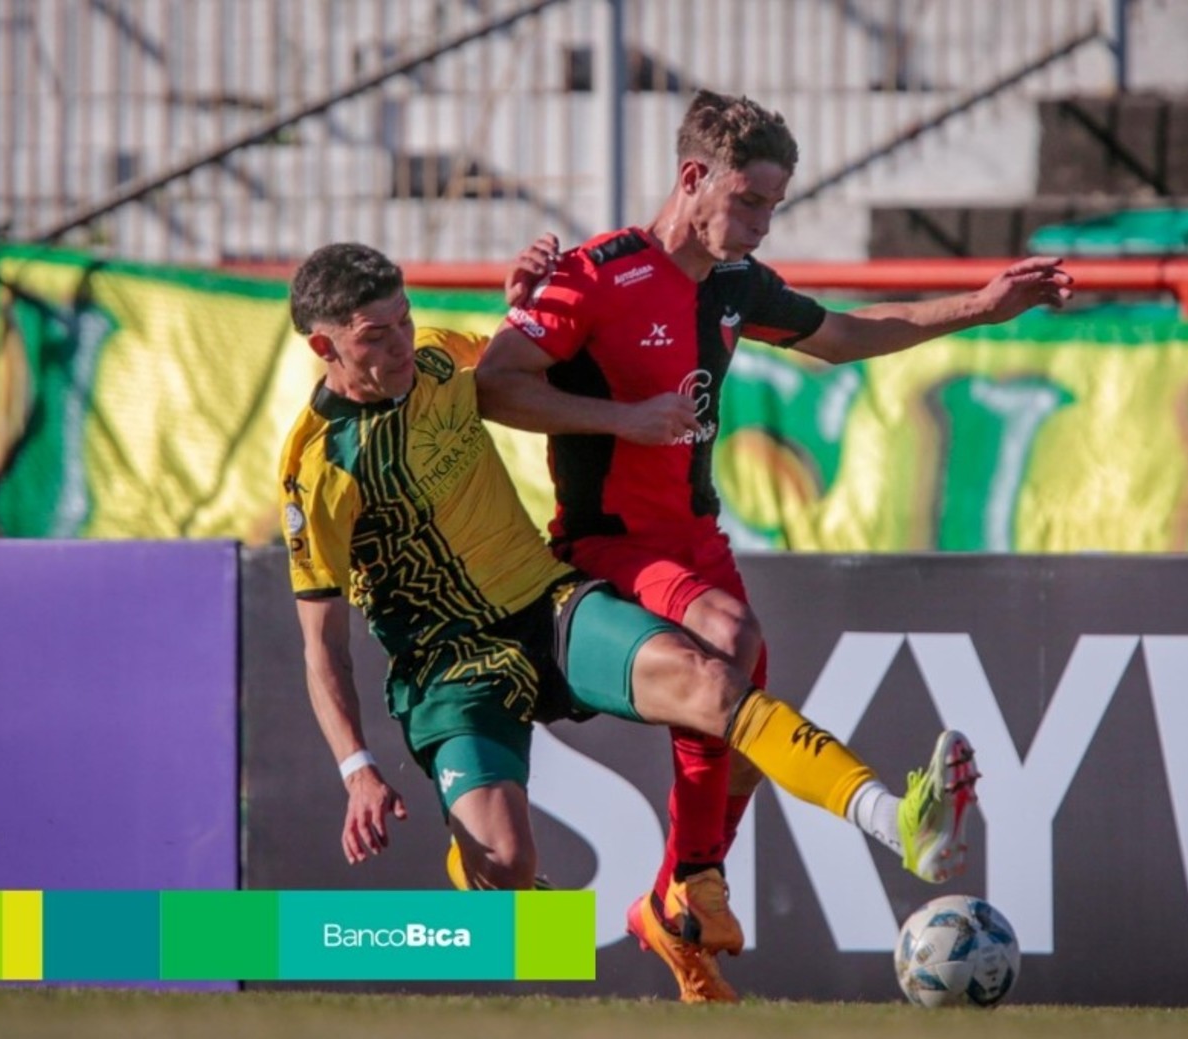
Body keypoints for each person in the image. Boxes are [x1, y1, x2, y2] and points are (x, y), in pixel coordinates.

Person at [475, 89, 1070, 1000]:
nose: (758, 223)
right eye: (748, 200)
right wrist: (621, 419)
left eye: (772, 206)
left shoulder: (732, 285)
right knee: (732, 640)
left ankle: (679, 900)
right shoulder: (595, 274)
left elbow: (841, 337)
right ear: (692, 179)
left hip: (698, 535)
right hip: (611, 542)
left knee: (741, 710)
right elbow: (495, 387)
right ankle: (808, 848)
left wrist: (980, 308)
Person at [277, 242, 980, 997]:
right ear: (323, 347)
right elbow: (323, 646)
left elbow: (527, 371)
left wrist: (526, 310)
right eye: (373, 336)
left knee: (711, 680)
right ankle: (482, 868)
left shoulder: (440, 357)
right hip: (450, 670)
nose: (401, 343)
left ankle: (897, 820)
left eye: (403, 318)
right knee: (507, 870)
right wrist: (355, 767)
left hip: (543, 608)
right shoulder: (316, 468)